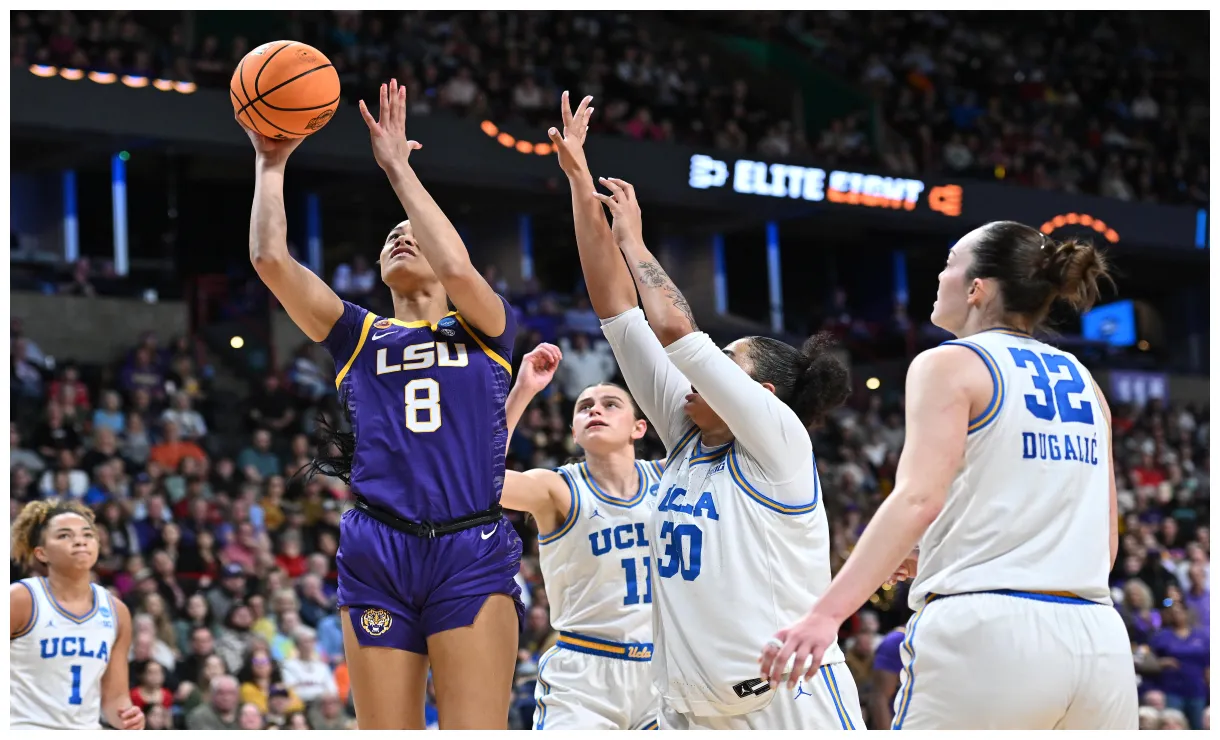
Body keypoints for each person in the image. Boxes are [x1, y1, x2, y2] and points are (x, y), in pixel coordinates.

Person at [549, 92, 861, 729]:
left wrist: (636, 241)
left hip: (788, 703)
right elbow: (616, 310)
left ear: (760, 395)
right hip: (694, 711)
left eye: (727, 361)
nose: (703, 368)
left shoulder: (779, 442)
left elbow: (672, 331)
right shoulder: (687, 429)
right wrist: (582, 186)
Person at [759, 221, 1138, 730]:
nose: (939, 276)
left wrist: (827, 615)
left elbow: (918, 499)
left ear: (977, 289)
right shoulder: (1084, 381)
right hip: (1099, 643)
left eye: (948, 263)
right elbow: (1103, 543)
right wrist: (948, 552)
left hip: (987, 637)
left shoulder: (951, 362)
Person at [240, 77, 521, 729]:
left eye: (414, 231)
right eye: (392, 234)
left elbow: (456, 269)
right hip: (378, 546)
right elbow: (270, 259)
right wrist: (270, 162)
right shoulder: (358, 334)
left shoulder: (486, 327)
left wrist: (397, 170)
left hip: (467, 543)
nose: (402, 236)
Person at [500, 341, 664, 730]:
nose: (595, 409)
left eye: (611, 404)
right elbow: (476, 481)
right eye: (584, 406)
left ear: (638, 428)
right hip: (585, 674)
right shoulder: (557, 488)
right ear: (573, 432)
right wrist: (523, 390)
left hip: (665, 672)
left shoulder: (670, 480)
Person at [10, 500, 145, 730]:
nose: (80, 540)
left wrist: (127, 718)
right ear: (42, 553)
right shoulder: (20, 599)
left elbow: (115, 698)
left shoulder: (116, 611)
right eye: (64, 536)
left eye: (87, 535)